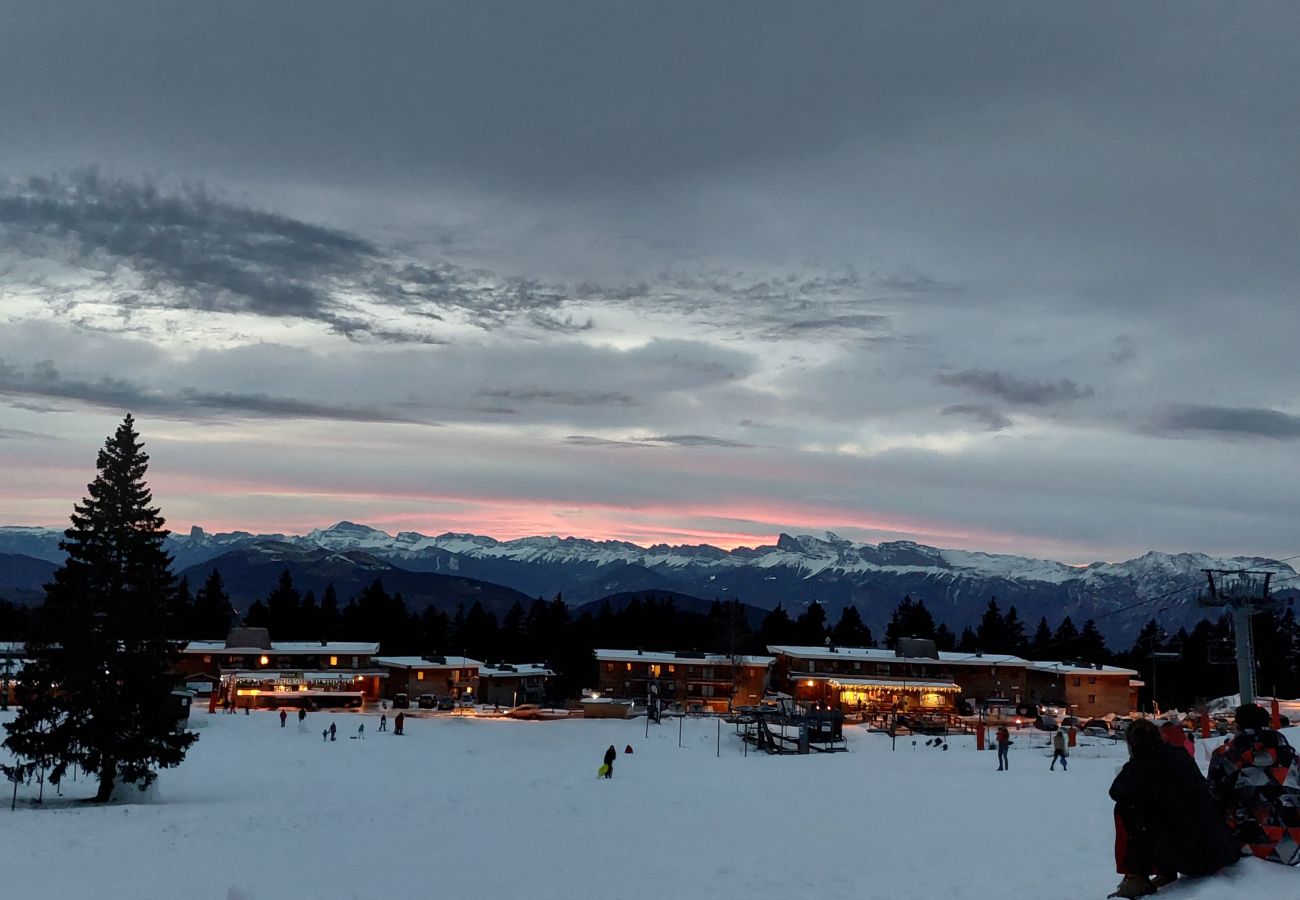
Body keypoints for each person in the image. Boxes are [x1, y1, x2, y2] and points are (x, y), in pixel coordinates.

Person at [1107, 719, 1239, 898]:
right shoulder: (1179, 755)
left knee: (1128, 808)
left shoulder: (1143, 763)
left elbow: (1117, 791)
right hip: (1218, 847)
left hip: (1191, 855)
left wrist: (1133, 764)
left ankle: (1138, 876)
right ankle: (1162, 870)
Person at [1208, 702, 1300, 866]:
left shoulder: (1226, 756)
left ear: (1237, 725)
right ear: (1268, 723)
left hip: (1244, 844)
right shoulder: (1292, 756)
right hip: (1292, 847)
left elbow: (1213, 798)